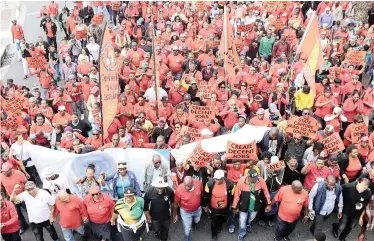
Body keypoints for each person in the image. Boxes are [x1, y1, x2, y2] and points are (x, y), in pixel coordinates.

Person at [233, 169, 271, 240]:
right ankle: (242, 233)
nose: (255, 180)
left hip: (255, 205)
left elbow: (266, 192)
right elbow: (236, 195)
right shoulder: (241, 181)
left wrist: (269, 203)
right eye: (253, 179)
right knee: (242, 221)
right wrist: (234, 207)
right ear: (248, 176)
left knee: (251, 218)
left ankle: (248, 224)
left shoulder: (261, 180)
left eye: (256, 178)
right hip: (243, 205)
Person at [202, 170, 235, 240]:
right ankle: (214, 234)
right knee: (213, 221)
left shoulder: (230, 184)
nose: (216, 180)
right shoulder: (209, 184)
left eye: (218, 179)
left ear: (223, 178)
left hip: (225, 208)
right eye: (215, 179)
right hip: (213, 208)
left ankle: (219, 226)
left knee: (222, 219)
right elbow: (206, 196)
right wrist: (205, 206)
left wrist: (234, 206)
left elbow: (232, 196)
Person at [0, 162, 28, 234]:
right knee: (17, 213)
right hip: (12, 198)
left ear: (10, 169)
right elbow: (2, 187)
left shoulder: (18, 173)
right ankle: (23, 226)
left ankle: (35, 222)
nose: (4, 173)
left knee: (28, 209)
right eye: (3, 171)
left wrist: (27, 194)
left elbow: (26, 183)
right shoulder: (1, 176)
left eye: (6, 172)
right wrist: (5, 198)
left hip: (22, 196)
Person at [144, 176, 174, 241]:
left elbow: (172, 203)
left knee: (165, 230)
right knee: (156, 229)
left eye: (161, 188)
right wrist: (148, 216)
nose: (160, 190)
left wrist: (173, 215)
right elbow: (145, 205)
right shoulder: (149, 191)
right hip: (154, 216)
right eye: (158, 188)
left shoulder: (169, 191)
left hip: (166, 216)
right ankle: (156, 232)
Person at [173, 176, 203, 241]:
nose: (186, 187)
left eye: (188, 186)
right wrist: (175, 214)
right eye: (185, 185)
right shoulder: (179, 189)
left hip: (197, 210)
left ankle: (193, 223)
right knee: (187, 229)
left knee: (196, 221)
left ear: (192, 183)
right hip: (185, 212)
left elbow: (202, 194)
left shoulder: (198, 184)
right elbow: (175, 203)